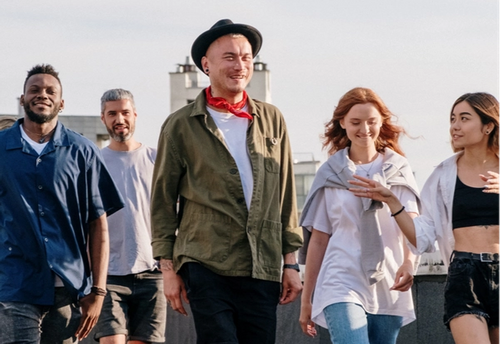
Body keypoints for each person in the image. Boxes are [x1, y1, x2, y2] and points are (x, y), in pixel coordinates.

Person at [151, 19, 303, 344]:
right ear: (206, 65)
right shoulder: (180, 125)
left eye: (246, 57)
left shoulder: (272, 119)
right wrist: (167, 270)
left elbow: (287, 195)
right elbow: (162, 201)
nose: (240, 65)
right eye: (230, 57)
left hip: (261, 262)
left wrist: (291, 264)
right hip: (204, 259)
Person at [349, 92, 500, 344]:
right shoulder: (443, 175)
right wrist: (392, 201)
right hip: (465, 275)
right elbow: (422, 237)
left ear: (488, 126)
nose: (455, 126)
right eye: (453, 119)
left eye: (465, 118)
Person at [0, 64, 124, 344]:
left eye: (49, 91)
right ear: (22, 99)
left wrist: (99, 290)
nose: (41, 95)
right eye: (34, 90)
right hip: (15, 282)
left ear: (61, 102)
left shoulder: (83, 150)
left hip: (69, 287)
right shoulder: (1, 148)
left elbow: (98, 225)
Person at [298, 87, 420, 344]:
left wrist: (409, 263)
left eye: (371, 122)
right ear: (342, 123)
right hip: (339, 279)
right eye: (355, 122)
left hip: (388, 283)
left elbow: (412, 226)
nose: (364, 129)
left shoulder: (398, 169)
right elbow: (319, 240)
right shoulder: (330, 173)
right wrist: (306, 300)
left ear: (381, 123)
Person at [94, 89, 166, 344]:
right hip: (108, 273)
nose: (119, 119)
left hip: (152, 270)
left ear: (135, 115)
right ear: (103, 118)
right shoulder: (94, 162)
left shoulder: (157, 158)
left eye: (125, 112)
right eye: (112, 113)